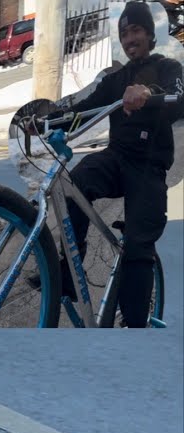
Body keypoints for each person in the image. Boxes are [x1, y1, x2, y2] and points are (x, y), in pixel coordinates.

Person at [30, 1, 184, 328]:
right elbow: (83, 110)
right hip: (116, 158)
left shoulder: (168, 67)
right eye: (125, 33)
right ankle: (69, 274)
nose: (130, 38)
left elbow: (177, 97)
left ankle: (134, 330)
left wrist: (148, 92)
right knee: (73, 185)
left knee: (138, 246)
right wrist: (47, 120)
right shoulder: (115, 79)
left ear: (150, 34)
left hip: (148, 167)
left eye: (137, 30)